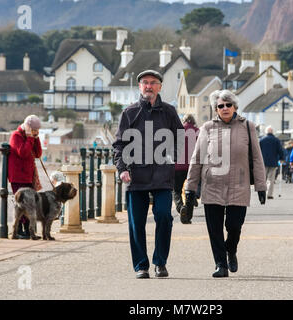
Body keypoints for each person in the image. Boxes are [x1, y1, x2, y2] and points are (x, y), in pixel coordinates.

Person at [185, 89, 267, 278]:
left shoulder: (248, 126)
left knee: (234, 226)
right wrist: (190, 187)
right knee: (214, 228)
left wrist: (261, 186)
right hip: (212, 184)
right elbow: (197, 158)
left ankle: (231, 250)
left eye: (228, 104)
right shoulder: (207, 128)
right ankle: (220, 264)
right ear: (216, 109)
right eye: (220, 106)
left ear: (235, 106)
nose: (225, 108)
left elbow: (257, 158)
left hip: (239, 185)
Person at [112, 70, 183, 279]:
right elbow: (119, 144)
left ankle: (160, 262)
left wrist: (172, 157)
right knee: (136, 223)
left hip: (162, 176)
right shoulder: (129, 113)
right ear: (140, 87)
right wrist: (122, 169)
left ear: (160, 87)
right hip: (136, 177)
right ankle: (141, 266)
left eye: (153, 83)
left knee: (164, 216)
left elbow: (181, 139)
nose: (149, 86)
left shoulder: (169, 112)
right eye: (145, 83)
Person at [8, 115, 42, 239]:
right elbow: (23, 152)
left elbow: (38, 154)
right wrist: (29, 137)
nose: (35, 132)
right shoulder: (16, 136)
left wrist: (35, 138)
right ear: (28, 127)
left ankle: (29, 231)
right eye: (33, 130)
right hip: (18, 175)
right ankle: (19, 231)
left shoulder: (31, 137)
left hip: (28, 175)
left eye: (37, 130)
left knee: (31, 203)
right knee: (22, 204)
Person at [173, 114, 199, 224]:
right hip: (193, 166)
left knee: (176, 190)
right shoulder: (198, 132)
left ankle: (180, 207)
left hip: (177, 167)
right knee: (190, 190)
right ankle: (188, 216)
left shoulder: (177, 132)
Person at [259, 126, 284, 199]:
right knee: (271, 179)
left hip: (263, 162)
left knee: (263, 179)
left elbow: (258, 151)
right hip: (273, 162)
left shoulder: (262, 140)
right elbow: (280, 150)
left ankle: (262, 193)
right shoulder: (276, 140)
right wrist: (282, 158)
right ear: (272, 132)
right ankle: (269, 194)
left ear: (266, 132)